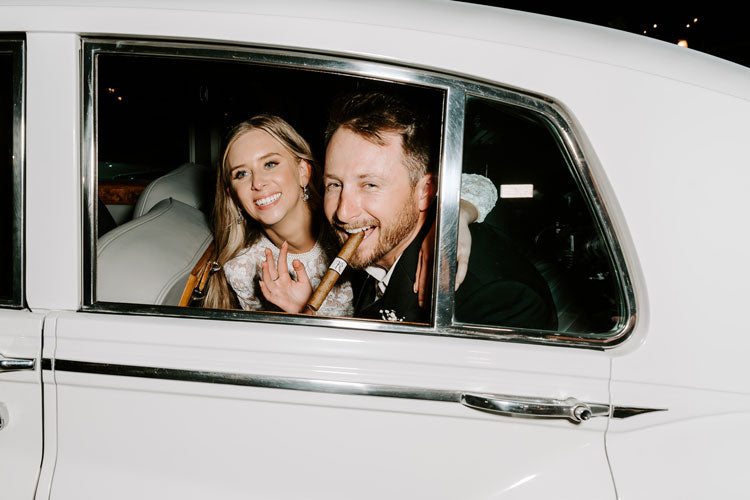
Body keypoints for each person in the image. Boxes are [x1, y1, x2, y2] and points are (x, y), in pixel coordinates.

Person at [203, 114, 494, 316]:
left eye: (270, 164)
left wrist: (453, 218)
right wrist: (300, 316)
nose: (257, 182)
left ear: (304, 172)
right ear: (232, 194)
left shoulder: (344, 215)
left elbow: (472, 183)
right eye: (241, 174)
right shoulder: (246, 270)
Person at [322, 91, 557, 329]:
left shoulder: (497, 299)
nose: (343, 213)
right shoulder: (379, 244)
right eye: (334, 184)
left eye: (370, 185)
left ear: (425, 192)